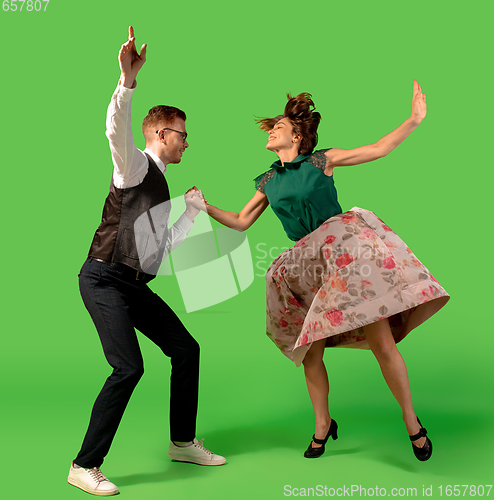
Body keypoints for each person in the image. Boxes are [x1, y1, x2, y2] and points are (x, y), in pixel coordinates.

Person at [205, 82, 449, 462]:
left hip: (344, 260)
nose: (272, 130)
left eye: (279, 126)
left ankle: (412, 422)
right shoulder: (269, 181)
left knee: (383, 345)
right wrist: (203, 205)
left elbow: (378, 148)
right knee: (311, 354)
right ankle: (323, 425)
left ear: (297, 136)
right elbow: (239, 221)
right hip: (307, 265)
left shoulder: (322, 161)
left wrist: (414, 119)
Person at [68, 26, 225, 497]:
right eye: (183, 135)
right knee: (128, 367)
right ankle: (83, 465)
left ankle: (182, 441)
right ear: (162, 133)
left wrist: (192, 213)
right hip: (103, 279)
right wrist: (127, 82)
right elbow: (115, 128)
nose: (186, 143)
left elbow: (158, 249)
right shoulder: (134, 165)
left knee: (186, 349)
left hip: (134, 285)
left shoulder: (161, 185)